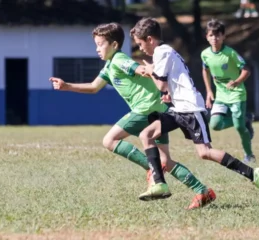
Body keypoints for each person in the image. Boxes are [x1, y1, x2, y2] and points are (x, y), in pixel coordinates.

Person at [49, 22, 215, 209]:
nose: (97, 49)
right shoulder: (110, 66)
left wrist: (151, 72)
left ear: (114, 45)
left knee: (109, 140)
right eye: (95, 44)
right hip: (157, 110)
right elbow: (94, 87)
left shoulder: (119, 59)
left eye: (100, 44)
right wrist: (67, 86)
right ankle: (202, 191)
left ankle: (152, 169)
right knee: (165, 161)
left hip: (146, 109)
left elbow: (140, 69)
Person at [130, 17, 259, 201]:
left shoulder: (161, 52)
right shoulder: (164, 52)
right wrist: (170, 92)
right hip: (179, 107)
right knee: (146, 135)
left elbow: (161, 85)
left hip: (190, 109)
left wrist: (150, 71)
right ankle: (158, 182)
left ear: (150, 39)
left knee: (204, 152)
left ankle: (254, 174)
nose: (140, 48)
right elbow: (173, 81)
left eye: (140, 43)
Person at [201, 19, 256, 164]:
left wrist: (237, 81)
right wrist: (208, 91)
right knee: (215, 125)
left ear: (224, 36)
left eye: (218, 35)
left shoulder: (230, 53)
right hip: (221, 95)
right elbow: (205, 70)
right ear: (207, 36)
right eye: (211, 35)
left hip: (237, 94)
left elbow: (246, 70)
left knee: (239, 127)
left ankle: (249, 155)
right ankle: (246, 119)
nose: (214, 38)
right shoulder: (205, 54)